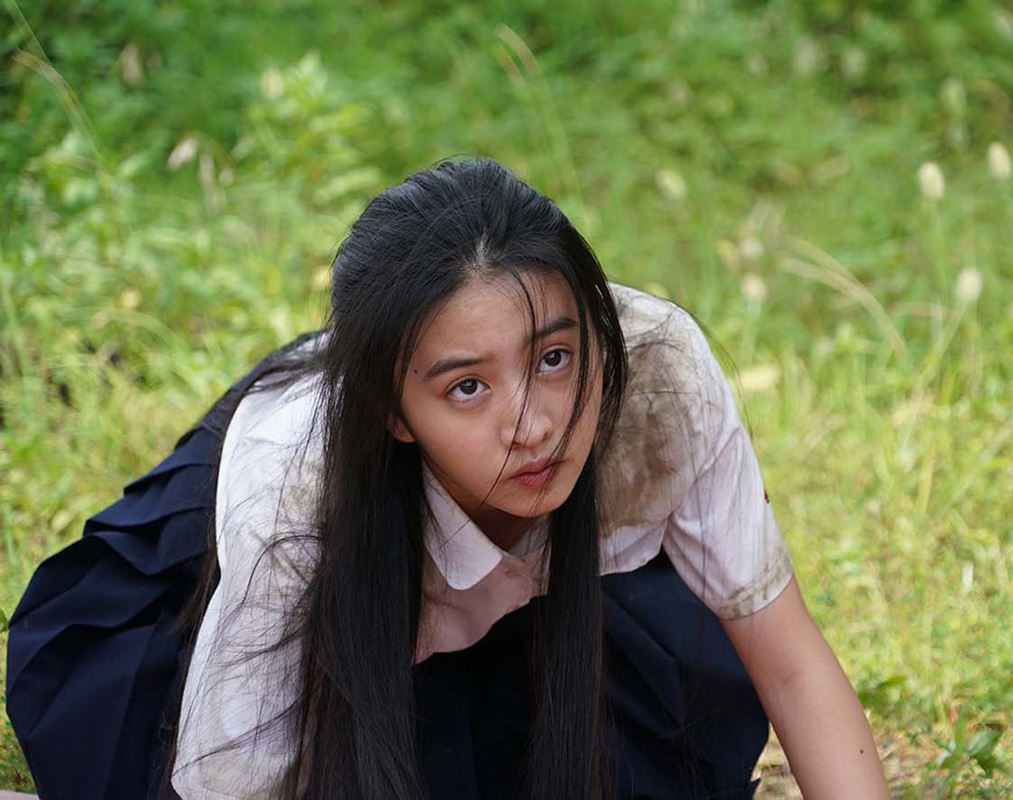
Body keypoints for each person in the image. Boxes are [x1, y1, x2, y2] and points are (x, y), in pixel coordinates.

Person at [6, 158, 889, 799]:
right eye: (468, 387)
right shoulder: (294, 497)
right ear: (395, 411)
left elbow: (790, 666)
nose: (533, 426)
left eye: (553, 358)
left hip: (528, 615)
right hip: (232, 612)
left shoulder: (658, 378)